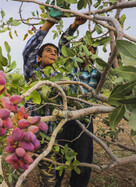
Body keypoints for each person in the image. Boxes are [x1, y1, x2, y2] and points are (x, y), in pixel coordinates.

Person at [55, 16, 101, 187]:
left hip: (85, 119)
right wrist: (74, 25)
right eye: (85, 49)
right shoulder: (71, 64)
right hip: (65, 116)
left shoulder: (97, 71)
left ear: (94, 53)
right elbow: (62, 46)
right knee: (58, 158)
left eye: (91, 50)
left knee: (83, 160)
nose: (88, 53)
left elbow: (116, 69)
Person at [22, 16, 60, 187]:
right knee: (19, 174)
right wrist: (49, 24)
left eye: (56, 52)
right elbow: (28, 51)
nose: (53, 53)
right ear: (38, 58)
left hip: (48, 138)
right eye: (48, 50)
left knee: (49, 179)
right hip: (26, 135)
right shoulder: (33, 71)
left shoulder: (60, 79)